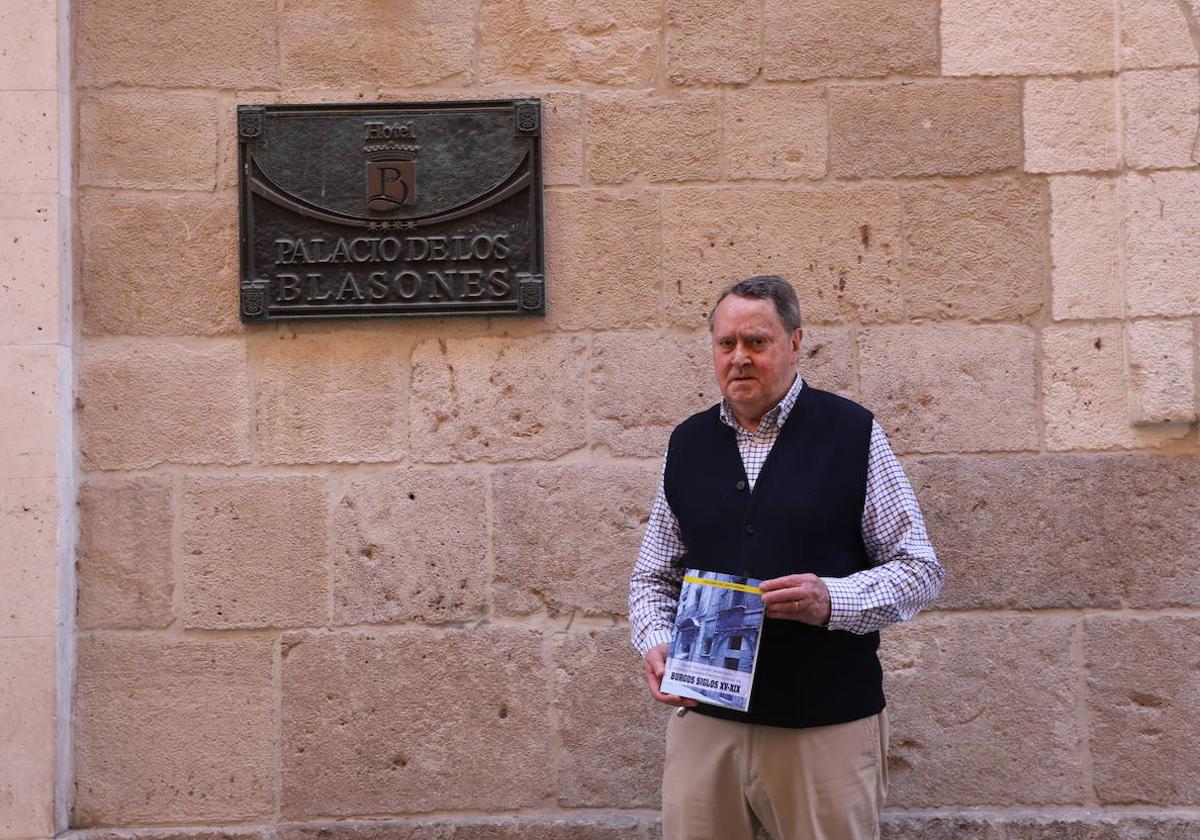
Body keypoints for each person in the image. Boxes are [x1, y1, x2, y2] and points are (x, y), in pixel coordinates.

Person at [629, 275, 945, 840]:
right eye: (727, 345)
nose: (740, 358)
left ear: (796, 343)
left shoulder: (852, 433)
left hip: (822, 729)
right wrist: (654, 641)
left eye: (757, 342)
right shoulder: (688, 443)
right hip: (706, 725)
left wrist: (831, 599)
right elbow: (654, 575)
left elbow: (919, 569)